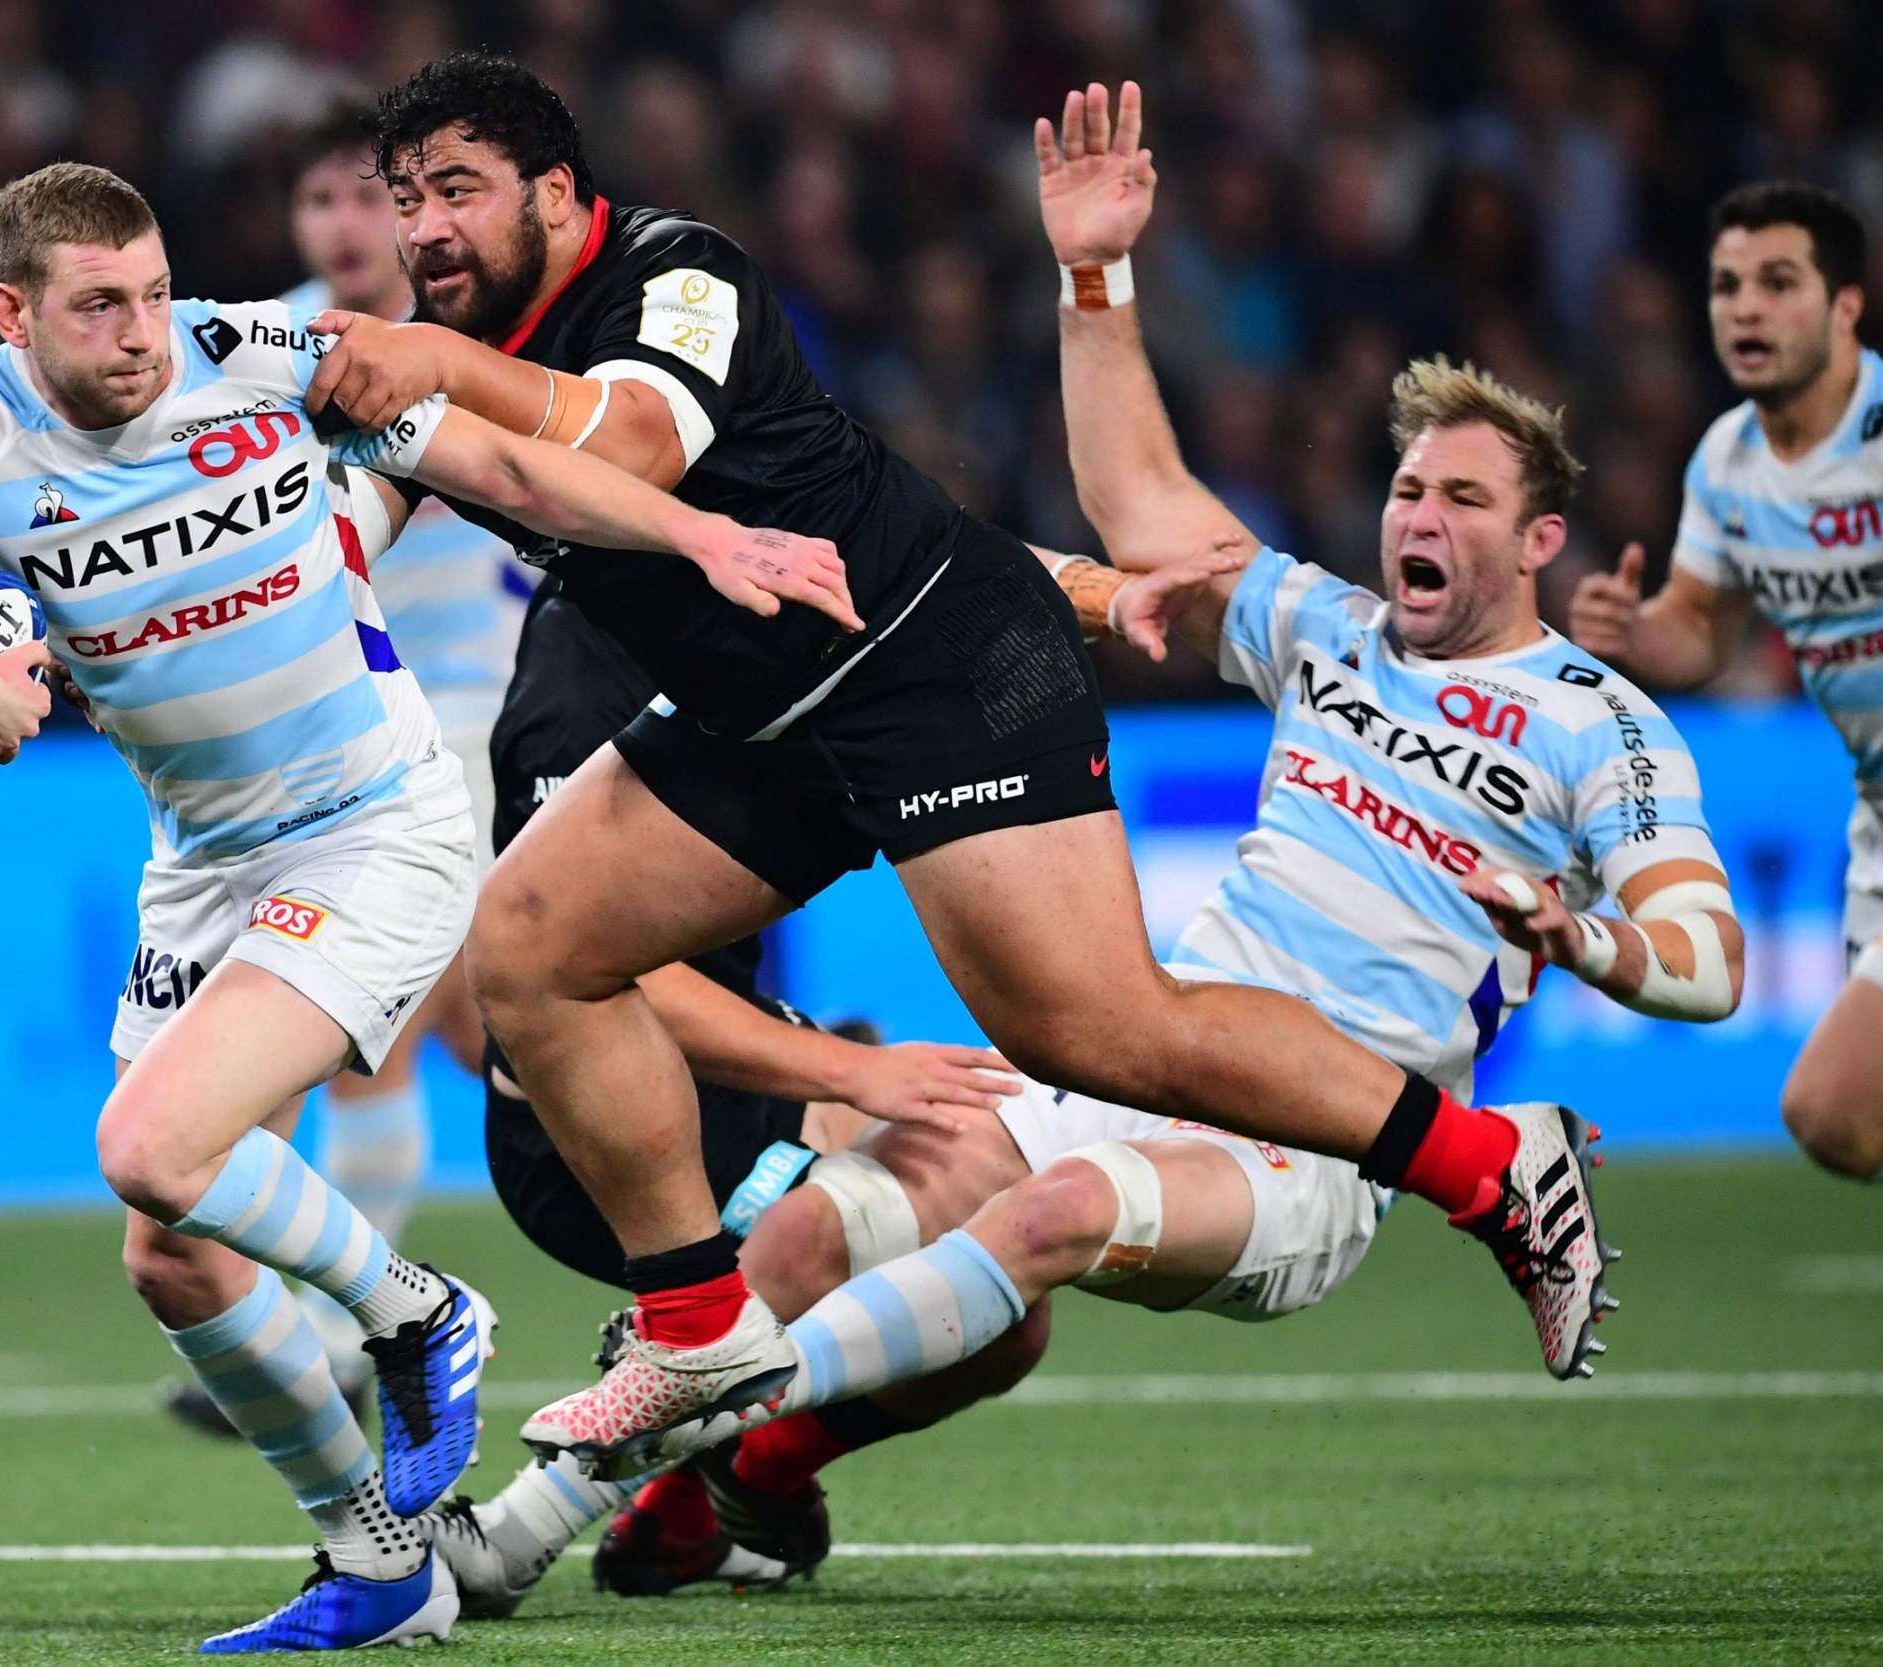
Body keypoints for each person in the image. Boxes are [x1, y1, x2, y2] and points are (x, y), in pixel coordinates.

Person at [303, 53, 1620, 1471]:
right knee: (530, 945)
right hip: (760, 714)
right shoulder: (449, 353)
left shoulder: (677, 273)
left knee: (1099, 1029)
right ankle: (699, 1327)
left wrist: (428, 364)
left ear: (557, 196)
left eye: (455, 191)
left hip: (934, 663)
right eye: (404, 198)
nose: (422, 227)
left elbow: (637, 437)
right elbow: (349, 521)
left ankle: (1494, 1168)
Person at [573, 125, 1758, 1574]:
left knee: (1055, 1210)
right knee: (845, 1208)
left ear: (1539, 541)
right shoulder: (1330, 632)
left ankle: (695, 1435)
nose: (1415, 517)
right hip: (1165, 1055)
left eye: (1460, 499)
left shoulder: (1604, 725)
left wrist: (1587, 939)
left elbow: (1707, 962)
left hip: (1323, 1147)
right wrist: (1093, 275)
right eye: (1405, 491)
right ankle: (724, 1485)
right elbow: (1140, 508)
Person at [0, 160, 855, 1653]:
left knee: (149, 1144)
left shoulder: (249, 351)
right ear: (13, 314)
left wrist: (699, 532)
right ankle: (377, 1561)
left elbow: (497, 464)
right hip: (203, 862)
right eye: (99, 306)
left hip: (376, 822)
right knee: (172, 1244)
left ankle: (418, 1308)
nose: (142, 332)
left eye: (151, 289)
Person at [423, 576, 1034, 1611]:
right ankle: (516, 1530)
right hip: (586, 1127)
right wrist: (849, 1072)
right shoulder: (581, 690)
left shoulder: (728, 589)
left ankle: (722, 1488)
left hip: (721, 1075)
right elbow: (594, 975)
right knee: (962, 1204)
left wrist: (1067, 591)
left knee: (1003, 1311)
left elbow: (906, 554)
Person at [161, 99, 539, 1436]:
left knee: (371, 1040)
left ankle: (348, 1328)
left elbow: (423, 486)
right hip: (310, 725)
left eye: (369, 199)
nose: (343, 225)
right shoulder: (250, 343)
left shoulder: (455, 341)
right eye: (318, 202)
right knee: (485, 1028)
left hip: (457, 723)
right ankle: (744, 1194)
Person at [1570, 181, 1883, 1183]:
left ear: (1844, 305)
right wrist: (1630, 630)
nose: (1743, 307)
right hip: (1873, 813)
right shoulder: (1726, 462)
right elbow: (1698, 632)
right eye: (1724, 285)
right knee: (1836, 1120)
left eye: (1776, 282)